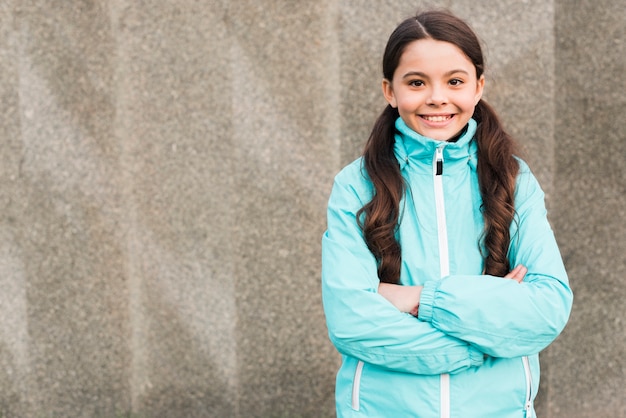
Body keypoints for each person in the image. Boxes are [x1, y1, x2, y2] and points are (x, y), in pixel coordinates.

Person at [321, 9, 573, 418]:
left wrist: (419, 299)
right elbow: (353, 322)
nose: (437, 97)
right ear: (390, 91)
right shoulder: (356, 185)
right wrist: (482, 339)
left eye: (455, 81)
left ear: (478, 87)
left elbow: (546, 310)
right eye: (417, 82)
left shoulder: (513, 179)